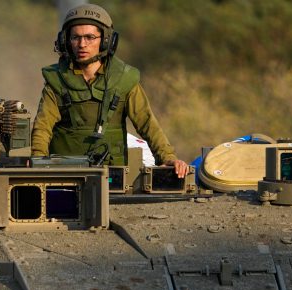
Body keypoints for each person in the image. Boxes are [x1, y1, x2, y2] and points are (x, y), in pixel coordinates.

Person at [31, 3, 188, 178]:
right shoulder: (56, 80)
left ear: (106, 40)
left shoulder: (123, 79)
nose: (82, 44)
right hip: (65, 174)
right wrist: (39, 163)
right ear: (66, 41)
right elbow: (42, 127)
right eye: (75, 37)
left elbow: (147, 123)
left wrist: (168, 157)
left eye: (90, 37)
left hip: (113, 175)